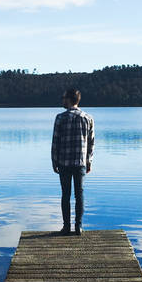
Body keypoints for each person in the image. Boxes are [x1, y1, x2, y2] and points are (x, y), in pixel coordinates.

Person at [51, 88, 95, 236]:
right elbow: (91, 143)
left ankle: (66, 227)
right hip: (80, 163)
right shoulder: (88, 118)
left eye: (63, 97)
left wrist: (54, 161)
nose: (62, 100)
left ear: (69, 99)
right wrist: (89, 162)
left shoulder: (60, 118)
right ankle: (78, 227)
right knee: (79, 195)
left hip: (64, 162)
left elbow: (55, 142)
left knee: (65, 195)